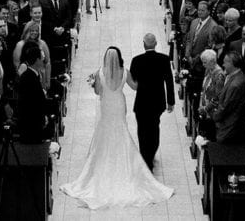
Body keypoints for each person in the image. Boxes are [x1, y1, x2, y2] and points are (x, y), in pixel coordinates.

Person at [61, 47, 174, 208]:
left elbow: (98, 92)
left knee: (105, 129)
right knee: (121, 129)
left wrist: (94, 84)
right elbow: (135, 86)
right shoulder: (125, 72)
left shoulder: (100, 72)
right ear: (119, 57)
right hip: (119, 105)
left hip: (107, 105)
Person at [127, 34, 175, 170]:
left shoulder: (136, 60)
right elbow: (169, 81)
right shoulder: (164, 59)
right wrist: (170, 101)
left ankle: (145, 157)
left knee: (142, 130)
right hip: (157, 101)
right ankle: (151, 153)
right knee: (154, 128)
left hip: (142, 102)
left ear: (144, 44)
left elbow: (133, 80)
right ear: (156, 44)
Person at [211, 51, 245, 143]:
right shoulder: (235, 77)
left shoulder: (235, 84)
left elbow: (226, 107)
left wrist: (214, 115)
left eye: (225, 62)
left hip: (229, 127)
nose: (223, 65)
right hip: (228, 125)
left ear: (231, 63)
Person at [15, 42, 49, 143]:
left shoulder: (34, 75)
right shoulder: (27, 78)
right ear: (37, 60)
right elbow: (30, 104)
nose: (43, 60)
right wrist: (42, 118)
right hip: (30, 125)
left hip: (36, 122)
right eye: (42, 58)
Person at [13, 21, 51, 89]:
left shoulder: (42, 43)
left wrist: (47, 81)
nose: (35, 32)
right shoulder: (20, 45)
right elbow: (16, 64)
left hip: (41, 76)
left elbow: (47, 62)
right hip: (26, 78)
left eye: (36, 31)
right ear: (26, 31)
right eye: (32, 31)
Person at [198, 48, 225, 140]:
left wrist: (206, 108)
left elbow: (217, 97)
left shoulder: (219, 76)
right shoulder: (209, 70)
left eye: (205, 62)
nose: (203, 65)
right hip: (205, 106)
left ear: (212, 61)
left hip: (212, 112)